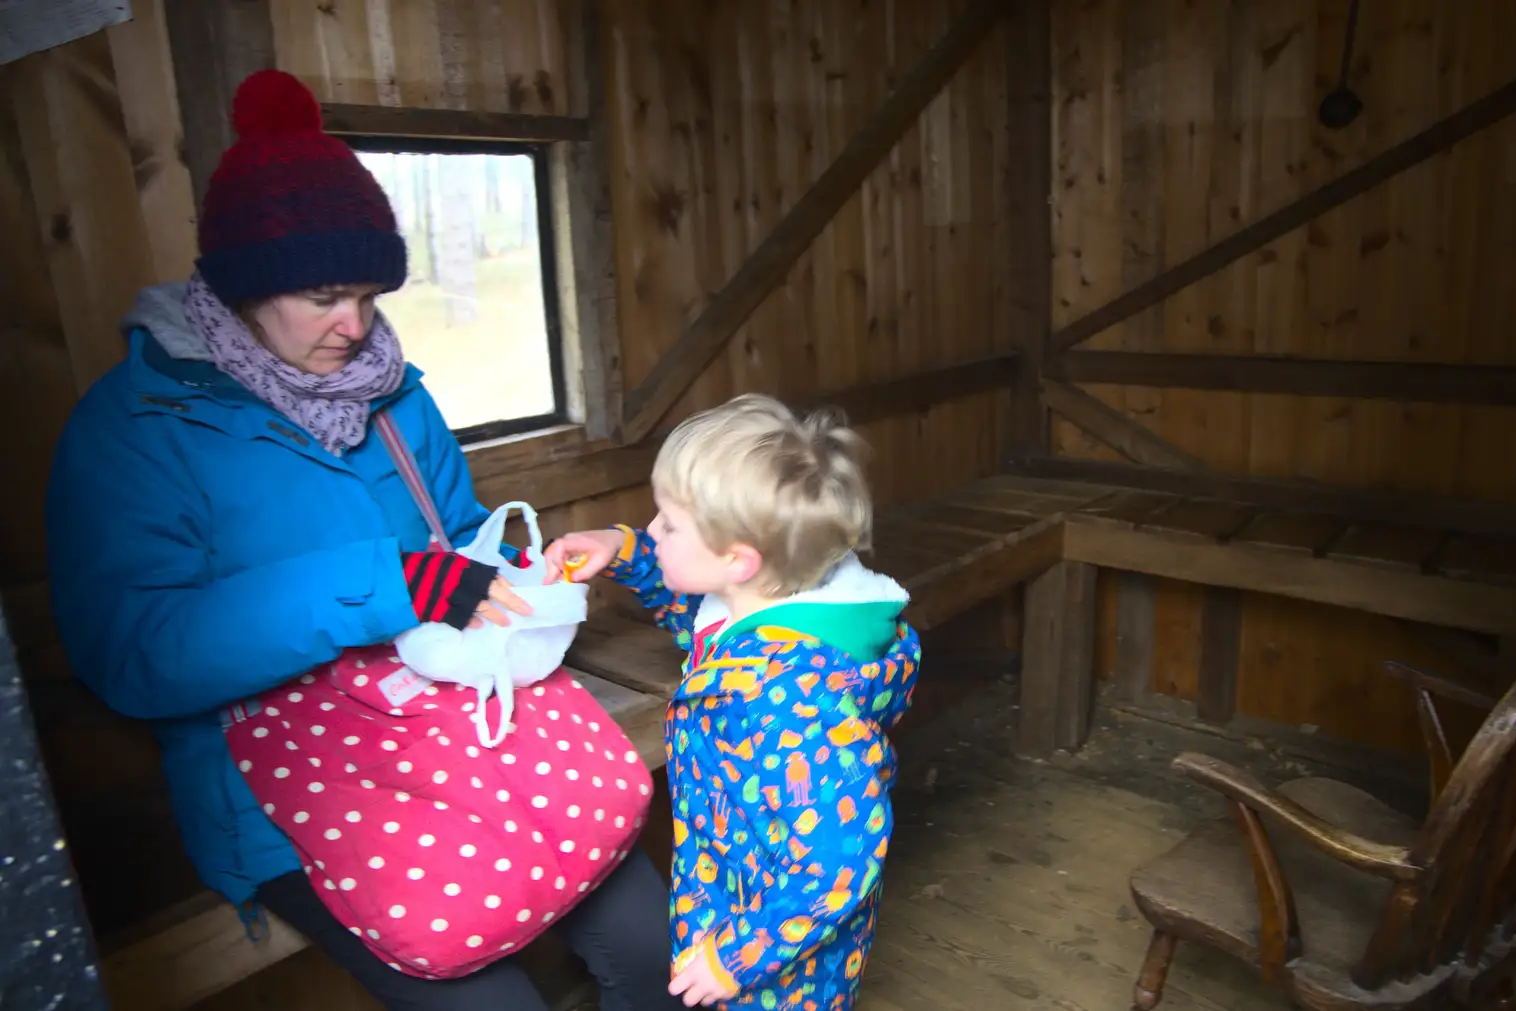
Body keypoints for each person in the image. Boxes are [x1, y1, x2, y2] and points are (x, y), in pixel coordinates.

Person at [45, 68, 678, 1011]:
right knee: (490, 1003)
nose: (356, 326)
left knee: (650, 934)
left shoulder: (396, 394)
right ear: (241, 284)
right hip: (291, 788)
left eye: (371, 296)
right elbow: (131, 656)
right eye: (325, 296)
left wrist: (511, 573)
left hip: (458, 726)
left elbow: (453, 539)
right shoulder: (136, 428)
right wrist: (385, 583)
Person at [543, 394, 921, 1010]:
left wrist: (736, 957)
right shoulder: (767, 607)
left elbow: (843, 857)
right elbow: (700, 617)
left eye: (667, 523)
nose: (653, 530)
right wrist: (624, 548)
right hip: (735, 890)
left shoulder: (795, 703)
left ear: (738, 560)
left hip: (779, 962)